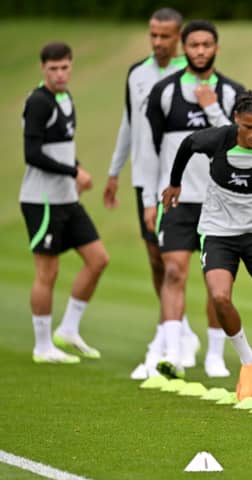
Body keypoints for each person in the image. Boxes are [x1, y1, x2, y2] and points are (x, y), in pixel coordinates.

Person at [161, 90, 252, 401]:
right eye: (249, 127)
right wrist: (175, 183)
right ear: (236, 119)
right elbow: (187, 145)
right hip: (217, 232)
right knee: (219, 297)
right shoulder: (217, 139)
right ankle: (247, 360)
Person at [141, 19, 245, 380]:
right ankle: (172, 354)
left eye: (207, 45)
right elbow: (149, 149)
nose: (200, 51)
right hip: (176, 201)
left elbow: (241, 142)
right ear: (183, 48)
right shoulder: (164, 92)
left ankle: (215, 355)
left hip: (220, 201)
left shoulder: (232, 93)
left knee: (218, 283)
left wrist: (213, 108)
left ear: (216, 48)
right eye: (194, 45)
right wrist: (149, 199)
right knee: (173, 271)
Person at [102, 8, 202, 380]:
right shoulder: (137, 74)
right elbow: (130, 126)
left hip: (185, 185)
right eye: (153, 36)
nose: (158, 42)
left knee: (177, 263)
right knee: (158, 262)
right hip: (146, 181)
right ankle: (180, 330)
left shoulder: (192, 75)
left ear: (178, 37)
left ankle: (163, 345)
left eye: (165, 36)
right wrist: (114, 171)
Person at [20, 42, 109, 364]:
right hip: (41, 200)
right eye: (53, 68)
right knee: (48, 271)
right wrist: (74, 171)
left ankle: (68, 329)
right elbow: (32, 154)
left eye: (64, 68)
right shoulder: (39, 102)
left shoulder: (65, 98)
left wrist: (75, 171)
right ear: (43, 68)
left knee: (98, 259)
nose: (59, 74)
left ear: (71, 66)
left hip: (67, 199)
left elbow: (61, 149)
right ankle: (42, 346)